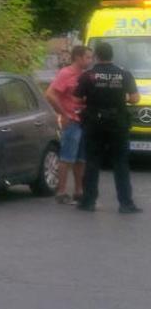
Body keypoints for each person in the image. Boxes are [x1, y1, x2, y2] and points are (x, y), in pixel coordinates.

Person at [74, 42, 142, 214]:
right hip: (118, 123)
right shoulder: (124, 74)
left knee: (92, 162)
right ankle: (126, 204)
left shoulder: (88, 75)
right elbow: (135, 99)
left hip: (94, 123)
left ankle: (88, 202)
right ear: (112, 56)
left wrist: (92, 100)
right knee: (120, 163)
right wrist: (120, 98)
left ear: (97, 56)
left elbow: (77, 99)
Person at [44, 45, 93, 204]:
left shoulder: (86, 75)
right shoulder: (66, 73)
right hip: (71, 120)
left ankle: (79, 191)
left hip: (83, 121)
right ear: (78, 58)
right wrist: (63, 114)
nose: (90, 60)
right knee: (67, 157)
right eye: (87, 57)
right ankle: (62, 191)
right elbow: (50, 94)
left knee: (81, 158)